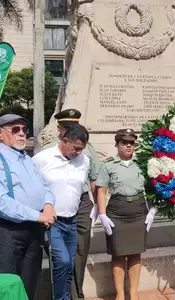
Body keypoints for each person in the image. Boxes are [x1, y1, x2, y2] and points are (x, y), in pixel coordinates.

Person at [41, 109, 100, 300]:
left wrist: (99, 209)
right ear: (61, 132)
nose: (78, 152)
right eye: (68, 127)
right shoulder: (46, 152)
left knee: (78, 252)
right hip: (54, 207)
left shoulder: (86, 152)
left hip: (79, 205)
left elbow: (94, 179)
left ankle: (75, 292)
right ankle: (62, 295)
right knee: (62, 258)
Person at [0, 114, 56, 300]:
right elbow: (2, 203)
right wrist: (38, 215)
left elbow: (44, 187)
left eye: (24, 130)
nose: (22, 134)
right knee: (9, 287)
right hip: (9, 232)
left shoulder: (26, 159)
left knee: (30, 284)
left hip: (34, 231)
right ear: (1, 134)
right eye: (15, 130)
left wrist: (48, 206)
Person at [95, 129, 156, 300]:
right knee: (118, 253)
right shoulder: (108, 165)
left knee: (136, 253)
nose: (128, 146)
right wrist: (102, 215)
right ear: (117, 144)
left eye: (131, 143)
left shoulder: (142, 164)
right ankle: (120, 294)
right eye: (124, 143)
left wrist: (152, 211)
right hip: (117, 211)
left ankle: (134, 293)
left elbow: (152, 189)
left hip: (138, 211)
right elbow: (101, 191)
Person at [33, 125, 90, 300]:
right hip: (52, 221)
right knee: (62, 261)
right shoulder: (42, 159)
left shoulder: (84, 160)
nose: (78, 153)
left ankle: (64, 297)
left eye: (81, 149)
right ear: (64, 141)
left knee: (69, 264)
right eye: (76, 148)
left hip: (72, 220)